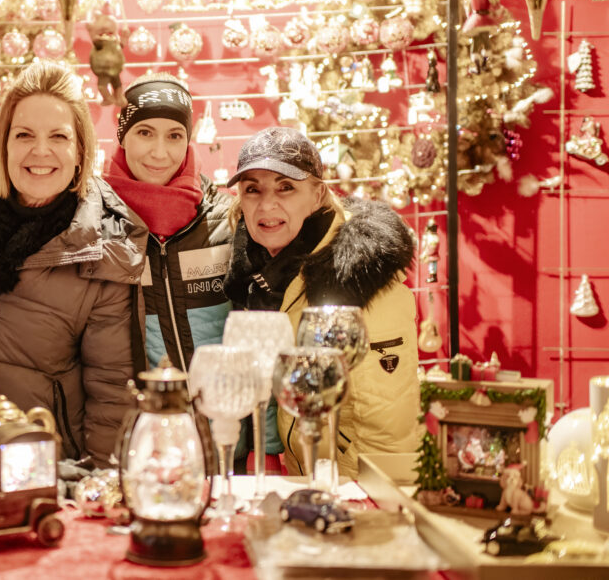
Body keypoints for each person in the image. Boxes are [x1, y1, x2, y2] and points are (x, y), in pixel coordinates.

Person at [0, 60, 146, 469]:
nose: (40, 151)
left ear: (80, 150)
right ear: (3, 143)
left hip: (43, 467)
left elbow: (110, 391)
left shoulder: (106, 246)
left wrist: (102, 484)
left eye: (58, 136)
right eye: (24, 135)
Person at [223, 126, 419, 478]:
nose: (267, 204)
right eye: (253, 189)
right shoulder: (253, 267)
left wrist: (366, 503)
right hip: (306, 479)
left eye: (286, 187)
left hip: (354, 486)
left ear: (317, 195)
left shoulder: (364, 279)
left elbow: (386, 423)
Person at [103, 73, 232, 375]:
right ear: (123, 137)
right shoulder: (97, 225)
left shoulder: (228, 221)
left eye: (174, 135)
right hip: (143, 417)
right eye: (145, 132)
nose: (159, 153)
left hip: (223, 418)